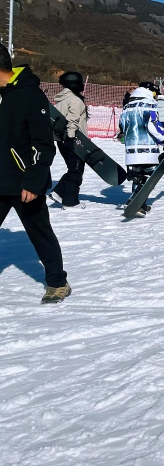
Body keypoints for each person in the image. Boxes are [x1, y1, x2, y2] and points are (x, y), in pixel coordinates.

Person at [0, 45, 71, 303]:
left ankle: (57, 282)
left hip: (25, 183)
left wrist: (33, 180)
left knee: (40, 233)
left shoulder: (30, 95)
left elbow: (43, 144)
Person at [119, 86, 164, 216]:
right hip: (147, 149)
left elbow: (121, 126)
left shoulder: (126, 107)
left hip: (131, 149)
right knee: (150, 177)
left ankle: (139, 204)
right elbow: (154, 126)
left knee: (138, 177)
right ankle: (135, 202)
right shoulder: (148, 105)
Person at [50, 71, 88, 208]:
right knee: (76, 170)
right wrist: (72, 137)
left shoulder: (61, 99)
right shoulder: (75, 100)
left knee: (73, 168)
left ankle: (59, 192)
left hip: (61, 140)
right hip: (73, 139)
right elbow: (73, 120)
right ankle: (70, 201)